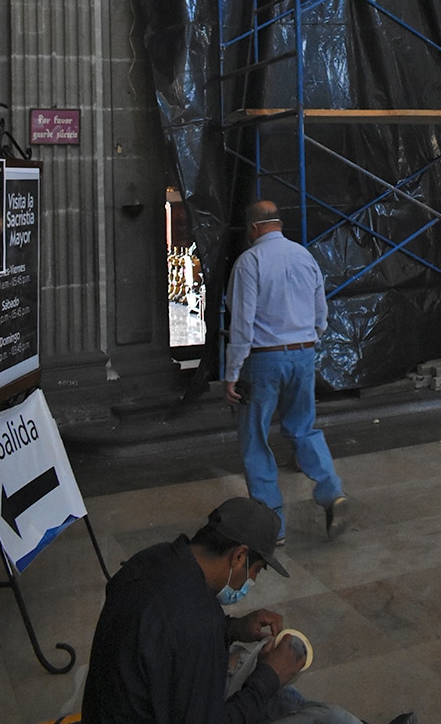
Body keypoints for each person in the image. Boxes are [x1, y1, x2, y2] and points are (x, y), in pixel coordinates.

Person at [82, 496, 303, 724]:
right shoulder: (199, 621)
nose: (252, 580)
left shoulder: (151, 558)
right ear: (239, 556)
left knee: (283, 696)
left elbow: (162, 638)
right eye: (257, 570)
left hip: (105, 711)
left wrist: (232, 628)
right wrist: (268, 678)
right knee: (328, 717)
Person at [225, 201, 348, 542]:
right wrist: (305, 341)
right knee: (303, 429)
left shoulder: (250, 261)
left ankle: (271, 524)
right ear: (278, 224)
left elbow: (243, 323)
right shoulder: (305, 257)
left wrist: (232, 372)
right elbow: (321, 314)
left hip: (264, 359)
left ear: (253, 229)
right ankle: (331, 490)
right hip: (304, 355)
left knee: (254, 437)